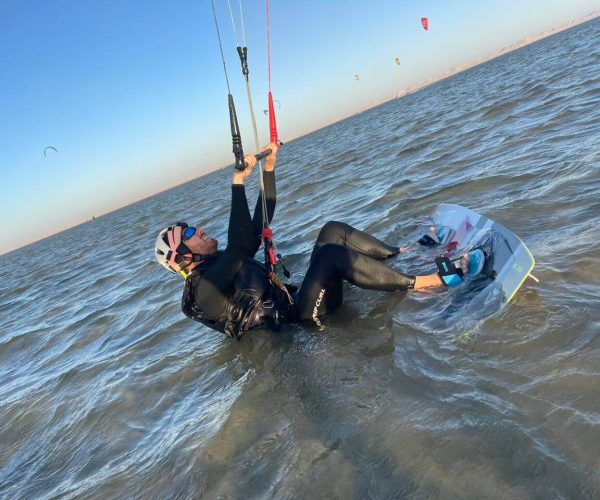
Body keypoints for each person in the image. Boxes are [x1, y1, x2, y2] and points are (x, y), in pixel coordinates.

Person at [154, 143, 484, 339]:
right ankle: (434, 283)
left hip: (297, 301)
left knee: (331, 231)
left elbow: (260, 222)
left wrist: (268, 169)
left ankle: (405, 251)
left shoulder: (220, 263)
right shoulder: (205, 290)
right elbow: (241, 247)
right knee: (330, 257)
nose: (197, 231)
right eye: (188, 234)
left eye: (191, 227)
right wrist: (237, 184)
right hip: (302, 324)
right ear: (183, 257)